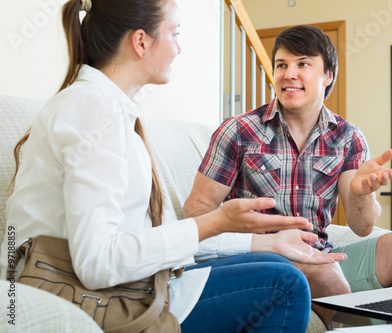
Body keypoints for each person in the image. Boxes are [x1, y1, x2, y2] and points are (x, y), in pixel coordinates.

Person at [0, 2, 344, 331]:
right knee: (286, 285)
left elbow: (151, 235)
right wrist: (215, 221)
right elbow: (97, 263)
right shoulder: (92, 111)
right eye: (174, 33)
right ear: (141, 42)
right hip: (89, 293)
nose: (179, 48)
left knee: (276, 263)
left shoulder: (111, 110)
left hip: (130, 282)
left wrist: (270, 244)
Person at [183, 25, 392, 328]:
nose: (289, 74)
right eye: (282, 65)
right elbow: (196, 209)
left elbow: (362, 227)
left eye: (303, 64)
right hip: (262, 261)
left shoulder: (347, 137)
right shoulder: (239, 130)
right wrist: (243, 237)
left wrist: (361, 193)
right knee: (326, 274)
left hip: (321, 255)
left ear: (328, 76)